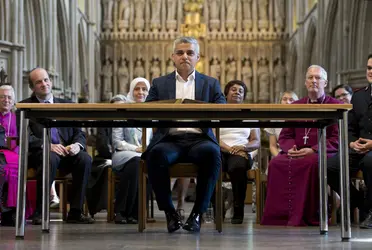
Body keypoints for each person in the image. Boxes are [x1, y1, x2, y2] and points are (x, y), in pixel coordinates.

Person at [143, 37, 226, 233]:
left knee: (213, 154)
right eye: (180, 53)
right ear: (172, 57)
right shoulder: (159, 83)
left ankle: (197, 213)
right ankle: (170, 213)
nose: (185, 57)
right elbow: (145, 109)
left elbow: (224, 109)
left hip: (199, 139)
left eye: (189, 53)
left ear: (198, 57)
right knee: (155, 155)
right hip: (170, 139)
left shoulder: (211, 83)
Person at [261, 65, 341, 226]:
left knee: (311, 163)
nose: (314, 81)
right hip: (296, 152)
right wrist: (291, 148)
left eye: (318, 78)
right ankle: (279, 216)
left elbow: (335, 138)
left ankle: (307, 215)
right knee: (276, 163)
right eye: (310, 78)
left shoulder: (335, 105)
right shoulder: (297, 105)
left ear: (325, 83)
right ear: (305, 82)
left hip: (321, 152)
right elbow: (286, 134)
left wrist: (313, 149)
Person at [19, 67, 94, 224]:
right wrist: (47, 145)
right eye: (38, 82)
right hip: (41, 153)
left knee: (85, 159)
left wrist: (77, 145)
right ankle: (40, 211)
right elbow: (25, 136)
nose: (44, 84)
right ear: (32, 87)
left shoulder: (67, 105)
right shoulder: (24, 107)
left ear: (51, 82)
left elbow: (79, 132)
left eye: (46, 80)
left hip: (67, 152)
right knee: (50, 158)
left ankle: (75, 211)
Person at [327, 54, 372, 229]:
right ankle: (360, 201)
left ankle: (370, 212)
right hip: (358, 148)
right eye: (368, 68)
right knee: (330, 166)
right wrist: (352, 143)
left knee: (370, 163)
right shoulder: (359, 96)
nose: (370, 71)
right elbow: (350, 128)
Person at [111, 78, 152, 224]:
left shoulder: (152, 113)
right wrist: (136, 149)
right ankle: (122, 211)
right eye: (137, 89)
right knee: (136, 162)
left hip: (143, 155)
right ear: (131, 90)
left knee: (147, 163)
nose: (140, 92)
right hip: (122, 154)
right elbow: (117, 142)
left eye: (144, 89)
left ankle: (137, 212)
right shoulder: (122, 111)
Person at [219, 80, 260, 224]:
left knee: (237, 167)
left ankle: (238, 209)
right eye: (233, 89)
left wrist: (243, 148)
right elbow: (212, 135)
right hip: (220, 149)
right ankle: (216, 207)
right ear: (226, 93)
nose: (237, 92)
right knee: (211, 163)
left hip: (241, 152)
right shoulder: (217, 112)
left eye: (241, 91)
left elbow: (256, 141)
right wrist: (229, 149)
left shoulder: (250, 114)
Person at [0, 85, 35, 226]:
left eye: (9, 97)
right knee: (3, 169)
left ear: (14, 100)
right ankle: (5, 211)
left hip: (15, 152)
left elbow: (25, 137)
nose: (6, 100)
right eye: (2, 97)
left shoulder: (18, 118)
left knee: (14, 167)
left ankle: (13, 212)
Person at [264, 91, 299, 158]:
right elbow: (272, 146)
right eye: (284, 99)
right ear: (280, 101)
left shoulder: (302, 119)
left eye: (291, 100)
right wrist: (280, 158)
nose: (287, 102)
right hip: (280, 154)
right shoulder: (274, 120)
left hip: (298, 154)